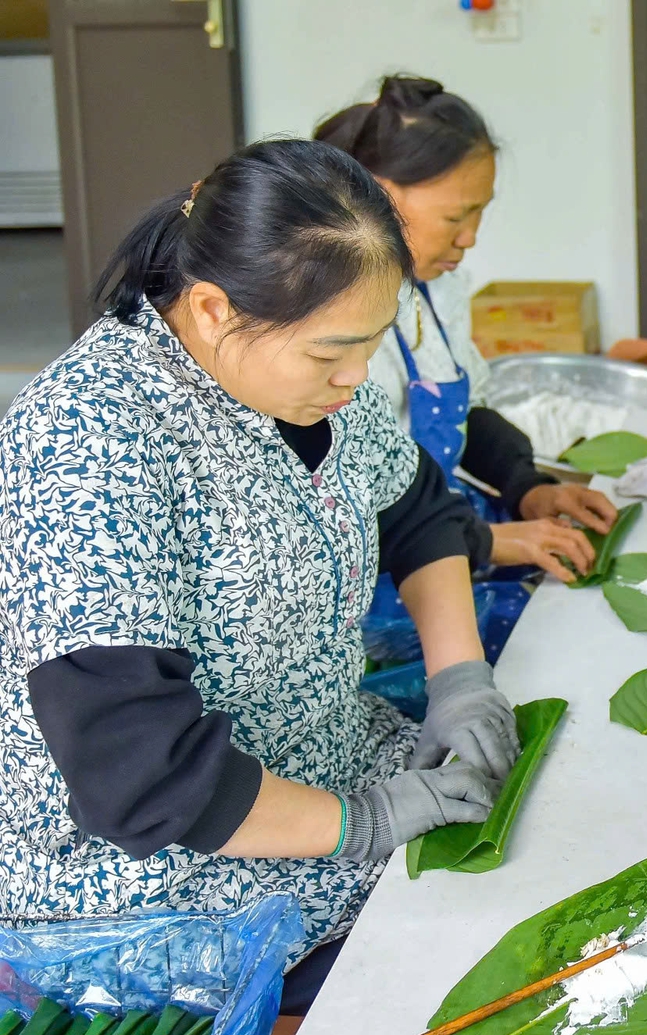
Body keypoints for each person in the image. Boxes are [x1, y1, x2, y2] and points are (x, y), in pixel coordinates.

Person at [0, 141, 520, 983]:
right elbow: (137, 771)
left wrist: (462, 678)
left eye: (371, 344)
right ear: (211, 308)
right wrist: (361, 824)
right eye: (328, 354)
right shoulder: (91, 437)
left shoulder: (308, 387)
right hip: (164, 875)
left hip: (333, 764)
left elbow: (417, 510)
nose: (355, 379)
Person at [315, 75, 614, 582]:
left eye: (480, 212)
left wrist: (528, 487)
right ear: (377, 197)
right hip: (381, 569)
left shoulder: (433, 289)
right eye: (457, 215)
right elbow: (344, 502)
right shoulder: (329, 325)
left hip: (446, 529)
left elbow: (465, 412)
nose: (471, 237)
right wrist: (486, 540)